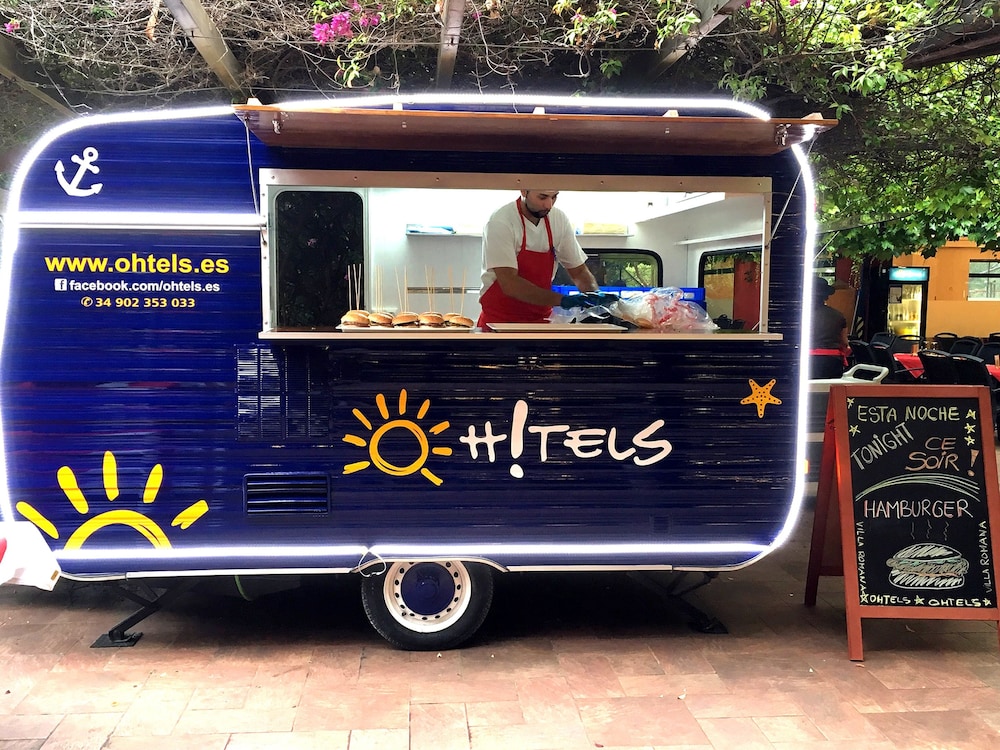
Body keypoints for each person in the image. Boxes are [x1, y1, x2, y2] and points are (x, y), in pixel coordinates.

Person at [477, 189, 616, 326]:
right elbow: (510, 284)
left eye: (554, 197)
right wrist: (564, 300)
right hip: (499, 322)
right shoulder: (501, 221)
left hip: (541, 321)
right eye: (542, 197)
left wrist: (595, 297)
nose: (549, 205)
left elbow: (579, 271)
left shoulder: (558, 219)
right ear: (524, 191)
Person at [809, 276, 850, 379]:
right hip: (833, 361)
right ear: (826, 296)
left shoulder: (800, 315)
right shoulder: (839, 315)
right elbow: (844, 342)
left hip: (807, 360)